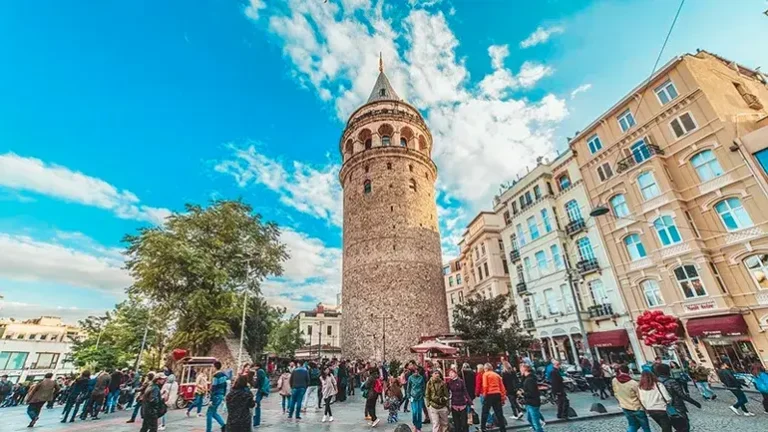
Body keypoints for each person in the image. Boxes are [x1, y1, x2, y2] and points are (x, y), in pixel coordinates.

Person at [655, 363, 701, 431]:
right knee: (684, 427)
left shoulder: (655, 382)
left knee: (677, 426)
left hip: (664, 407)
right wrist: (695, 403)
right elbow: (681, 394)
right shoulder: (671, 381)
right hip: (677, 406)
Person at [613, 365, 651, 432]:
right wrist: (646, 408)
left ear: (620, 371)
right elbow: (640, 397)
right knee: (645, 427)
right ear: (628, 371)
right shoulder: (633, 383)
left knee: (632, 425)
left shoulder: (614, 380)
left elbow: (615, 393)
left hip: (625, 406)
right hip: (637, 407)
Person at [480, 363, 506, 432]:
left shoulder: (485, 374)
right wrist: (503, 398)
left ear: (485, 368)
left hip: (489, 394)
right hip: (497, 394)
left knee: (485, 412)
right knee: (499, 413)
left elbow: (485, 386)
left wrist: (484, 395)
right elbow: (502, 387)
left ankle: (483, 428)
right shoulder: (497, 375)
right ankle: (503, 429)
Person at [519, 364, 542, 432]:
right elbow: (521, 384)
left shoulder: (530, 380)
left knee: (535, 422)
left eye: (521, 369)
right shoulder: (526, 378)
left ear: (524, 369)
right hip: (529, 402)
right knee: (530, 419)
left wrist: (522, 393)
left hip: (532, 402)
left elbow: (532, 393)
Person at [207, 361, 228, 432]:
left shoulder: (216, 376)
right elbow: (225, 386)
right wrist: (224, 395)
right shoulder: (224, 375)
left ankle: (208, 430)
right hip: (221, 395)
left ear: (215, 367)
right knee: (214, 412)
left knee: (209, 413)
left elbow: (214, 388)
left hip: (216, 396)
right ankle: (223, 425)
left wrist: (211, 400)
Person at [408, 365, 426, 432]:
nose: (416, 373)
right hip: (413, 396)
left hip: (420, 396)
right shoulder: (410, 378)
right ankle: (415, 425)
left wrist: (424, 394)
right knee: (415, 412)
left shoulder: (421, 378)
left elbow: (423, 386)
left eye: (417, 371)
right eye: (415, 372)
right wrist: (408, 396)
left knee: (419, 412)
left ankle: (419, 427)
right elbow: (408, 387)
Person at [252, 362, 270, 427]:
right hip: (261, 389)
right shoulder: (262, 371)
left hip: (260, 390)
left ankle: (256, 421)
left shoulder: (259, 371)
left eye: (254, 366)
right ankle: (256, 421)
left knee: (257, 404)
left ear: (257, 366)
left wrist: (254, 383)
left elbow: (259, 381)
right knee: (257, 404)